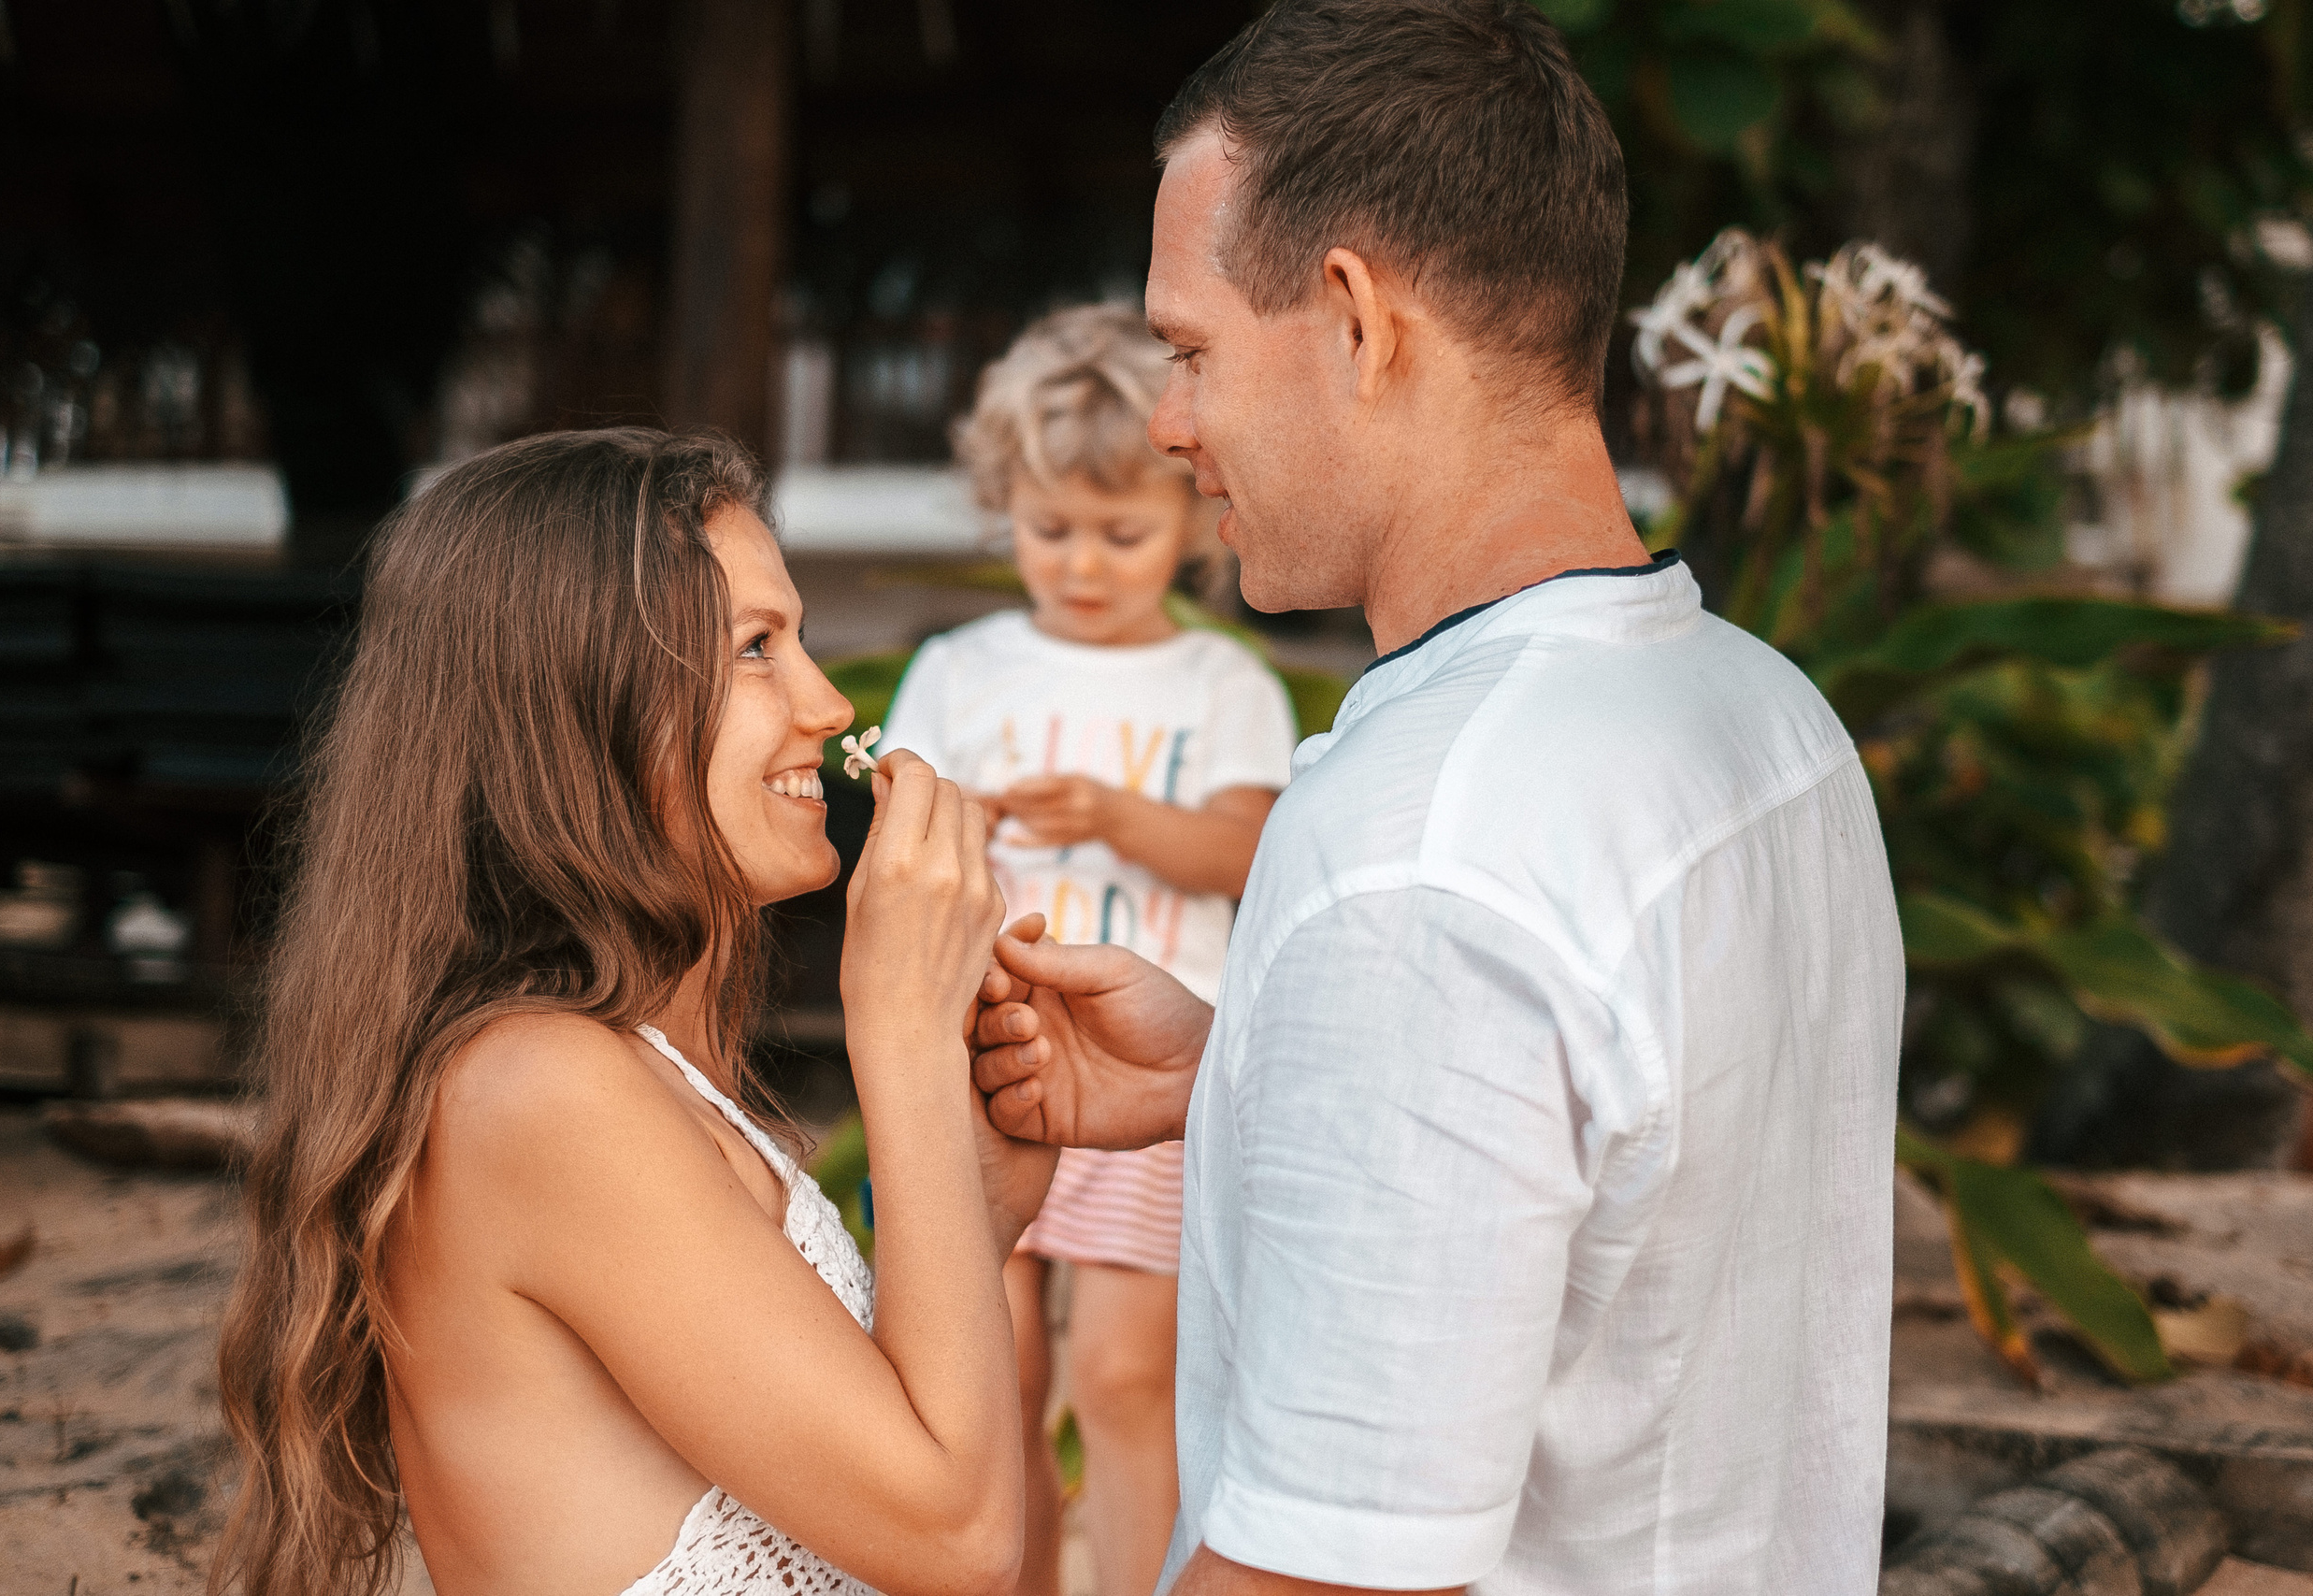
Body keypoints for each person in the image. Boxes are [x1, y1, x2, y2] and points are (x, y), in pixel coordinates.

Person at [972, 5, 1904, 1594]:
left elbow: (1323, 1575)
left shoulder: (1424, 859)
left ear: (1355, 318)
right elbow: (1633, 1189)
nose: (1170, 423)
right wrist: (1251, 1066)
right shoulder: (1768, 720)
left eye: (1189, 350)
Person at [213, 428, 1056, 1596]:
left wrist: (973, 1194)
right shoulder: (537, 1091)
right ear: (577, 713)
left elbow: (881, 1470)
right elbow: (957, 1542)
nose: (824, 703)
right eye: (757, 649)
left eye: (796, 639)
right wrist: (902, 1034)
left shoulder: (632, 1069)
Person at [882, 304, 1299, 1596]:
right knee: (987, 1368)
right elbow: (898, 849)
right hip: (987, 1062)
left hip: (1147, 1072)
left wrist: (1120, 816)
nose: (1082, 563)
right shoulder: (959, 669)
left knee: (1127, 1372)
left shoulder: (1222, 684)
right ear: (1004, 503)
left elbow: (1252, 845)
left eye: (1122, 533)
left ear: (1189, 517)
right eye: (1049, 528)